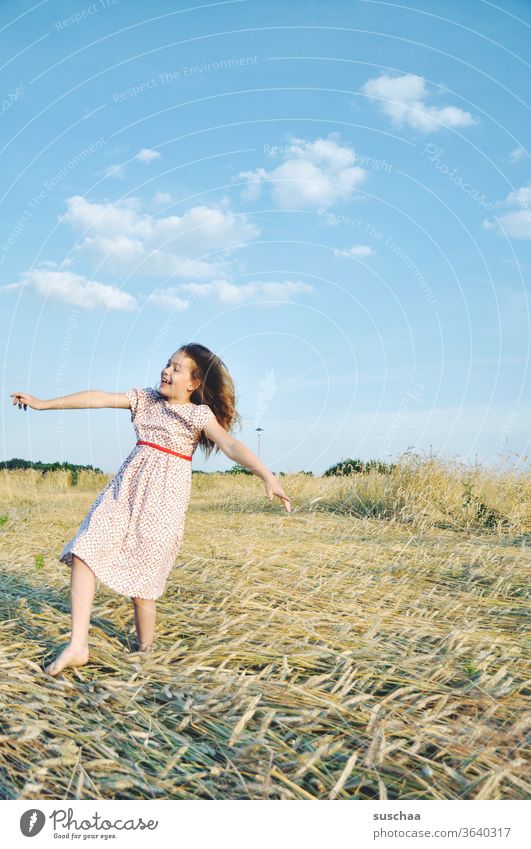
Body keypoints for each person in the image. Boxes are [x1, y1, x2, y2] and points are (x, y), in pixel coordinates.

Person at [10, 343, 291, 676]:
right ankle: (78, 645)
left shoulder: (198, 415)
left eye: (176, 368)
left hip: (163, 504)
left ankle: (145, 652)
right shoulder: (146, 399)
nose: (166, 371)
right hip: (124, 492)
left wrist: (266, 474)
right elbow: (98, 397)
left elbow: (229, 444)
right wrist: (43, 404)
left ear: (193, 384)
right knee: (85, 550)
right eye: (166, 364)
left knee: (143, 588)